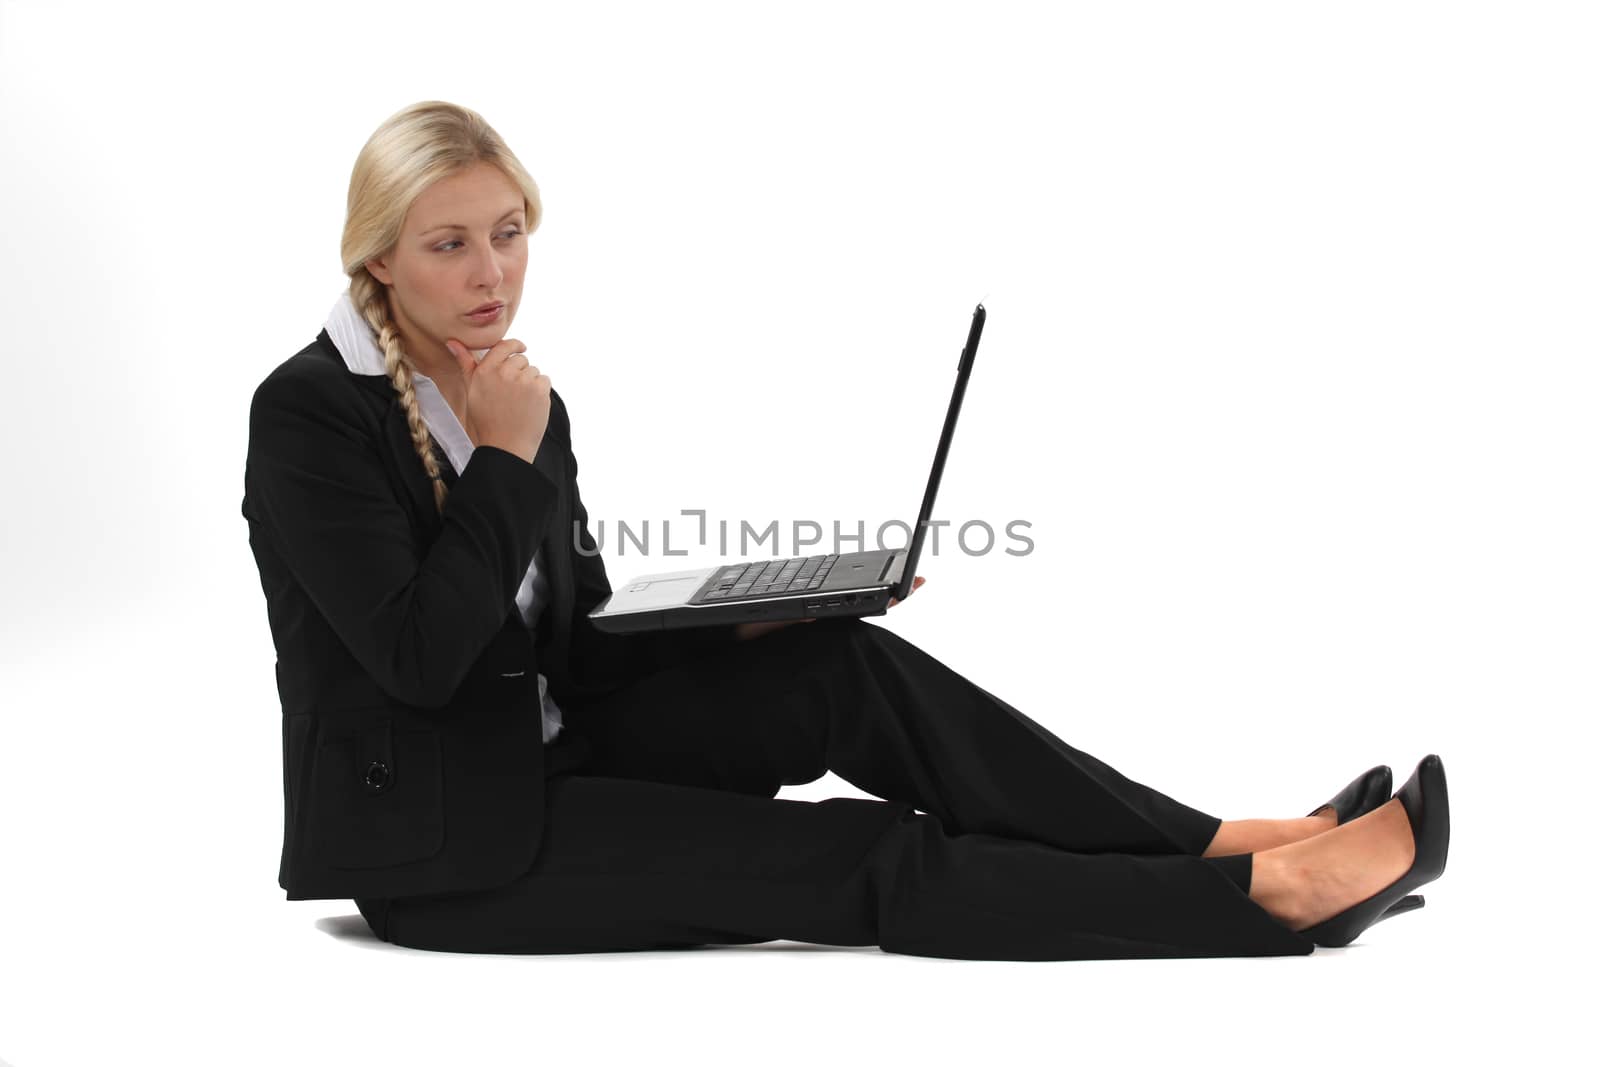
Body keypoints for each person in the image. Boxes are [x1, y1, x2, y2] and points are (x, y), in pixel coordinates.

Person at [241, 99, 1449, 961]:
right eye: (449, 242)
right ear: (380, 258)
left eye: (508, 231)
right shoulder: (311, 412)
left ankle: (1211, 837)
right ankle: (1267, 900)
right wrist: (504, 455)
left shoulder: (508, 390)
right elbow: (419, 656)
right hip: (447, 850)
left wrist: (750, 618)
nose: (490, 271)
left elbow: (572, 638)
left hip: (553, 751)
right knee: (857, 853)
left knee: (839, 668)